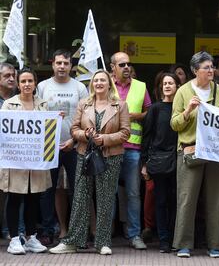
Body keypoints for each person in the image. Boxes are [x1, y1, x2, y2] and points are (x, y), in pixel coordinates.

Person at [49, 69, 130, 255]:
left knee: (105, 198)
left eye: (103, 80)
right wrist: (84, 134)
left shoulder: (120, 105)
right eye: (96, 80)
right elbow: (74, 129)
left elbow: (126, 133)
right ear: (92, 84)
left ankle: (103, 243)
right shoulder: (83, 104)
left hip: (111, 156)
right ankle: (72, 242)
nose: (99, 83)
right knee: (80, 198)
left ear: (109, 83)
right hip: (85, 154)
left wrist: (106, 139)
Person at [171, 51, 219, 258]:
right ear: (195, 70)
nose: (211, 70)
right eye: (206, 67)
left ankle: (214, 245)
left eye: (212, 67)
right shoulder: (183, 91)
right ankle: (184, 244)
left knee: (216, 199)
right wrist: (188, 111)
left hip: (215, 152)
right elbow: (174, 124)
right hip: (190, 150)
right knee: (187, 198)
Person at [37, 49, 89, 245]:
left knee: (77, 190)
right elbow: (37, 115)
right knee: (47, 190)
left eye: (65, 63)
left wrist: (74, 141)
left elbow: (86, 118)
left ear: (70, 66)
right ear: (53, 65)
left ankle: (78, 233)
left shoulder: (79, 88)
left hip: (75, 146)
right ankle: (48, 231)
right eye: (58, 63)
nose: (62, 67)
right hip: (48, 147)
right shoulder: (42, 87)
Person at [1, 68, 51, 254]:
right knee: (14, 198)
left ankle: (31, 238)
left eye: (30, 81)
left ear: (35, 83)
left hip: (36, 161)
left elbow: (47, 131)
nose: (27, 84)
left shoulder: (43, 105)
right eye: (23, 81)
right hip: (15, 160)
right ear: (19, 84)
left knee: (33, 198)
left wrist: (56, 120)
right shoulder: (8, 105)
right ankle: (14, 239)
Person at [111, 51, 151, 249]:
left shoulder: (141, 86)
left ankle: (135, 235)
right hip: (110, 148)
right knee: (108, 193)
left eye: (128, 64)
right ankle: (105, 234)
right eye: (122, 65)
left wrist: (135, 115)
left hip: (133, 148)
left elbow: (149, 113)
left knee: (134, 194)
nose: (126, 67)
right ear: (113, 67)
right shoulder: (105, 85)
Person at [141, 73, 180, 253]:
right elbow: (147, 137)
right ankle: (163, 240)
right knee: (161, 201)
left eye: (171, 83)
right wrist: (144, 163)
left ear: (178, 86)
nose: (167, 86)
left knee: (176, 201)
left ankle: (174, 238)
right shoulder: (155, 109)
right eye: (164, 83)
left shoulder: (183, 109)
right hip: (159, 161)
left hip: (179, 160)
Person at [0, 62, 16, 238]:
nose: (12, 78)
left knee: (11, 194)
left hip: (14, 156)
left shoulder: (20, 99)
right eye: (7, 76)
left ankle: (8, 230)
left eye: (13, 75)